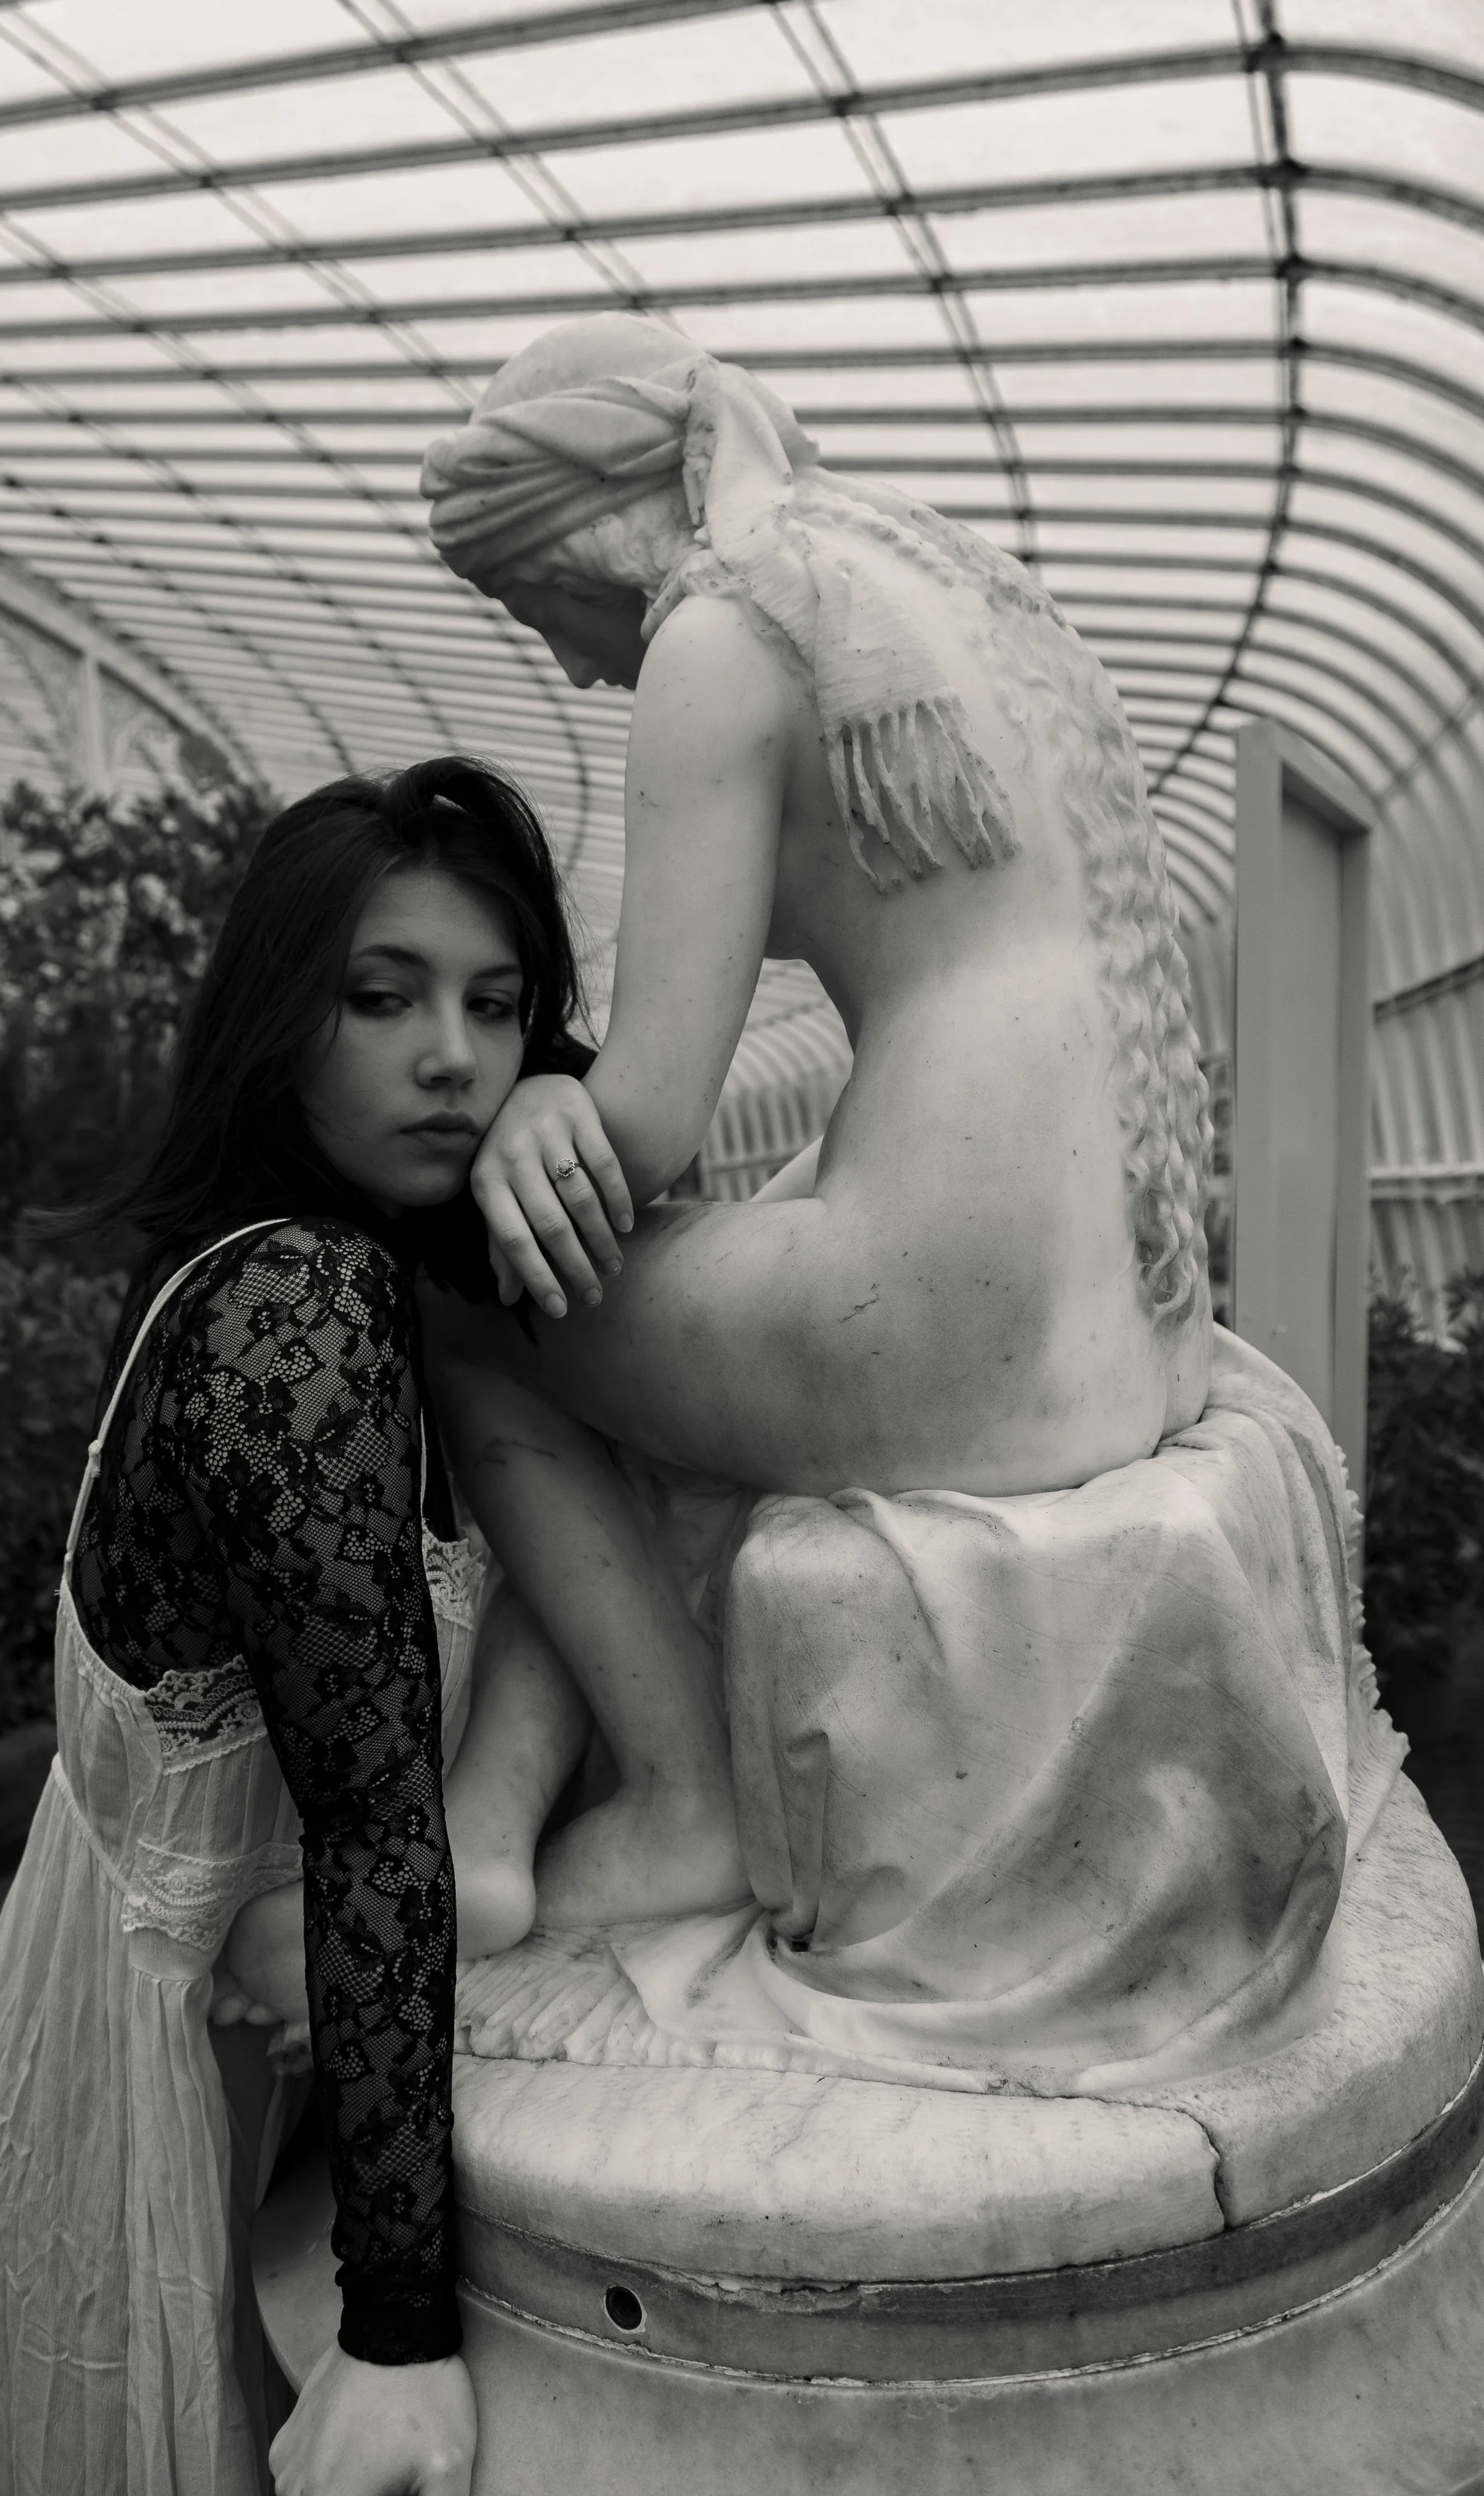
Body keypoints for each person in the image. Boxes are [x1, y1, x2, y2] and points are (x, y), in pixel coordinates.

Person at [413, 311, 1217, 1939]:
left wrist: (541, 1105)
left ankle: (673, 1803)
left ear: (586, 537)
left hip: (949, 1319)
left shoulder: (718, 638)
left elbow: (639, 1130)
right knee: (665, 1325)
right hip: (1132, 1311)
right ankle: (497, 1818)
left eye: (539, 610)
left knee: (475, 1299)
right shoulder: (940, 583)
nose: (572, 665)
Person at [0, 756, 605, 2496]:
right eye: (381, 998)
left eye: (494, 1006)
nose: (451, 1059)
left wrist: (561, 1097)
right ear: (276, 1018)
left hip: (237, 2054)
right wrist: (397, 2331)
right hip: (153, 2092)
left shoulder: (351, 1269)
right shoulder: (292, 1306)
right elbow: (374, 1832)